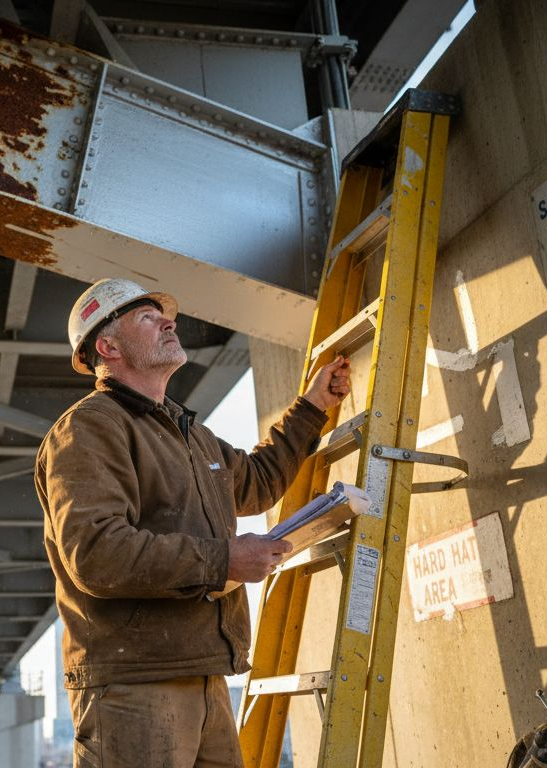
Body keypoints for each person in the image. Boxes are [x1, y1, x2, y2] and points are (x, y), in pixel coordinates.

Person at [35, 278, 351, 768]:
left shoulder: (190, 434)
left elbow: (258, 482)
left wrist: (311, 409)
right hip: (133, 683)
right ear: (107, 346)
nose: (169, 321)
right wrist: (225, 559)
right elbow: (97, 553)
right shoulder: (89, 427)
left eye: (166, 316)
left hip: (204, 672)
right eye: (147, 317)